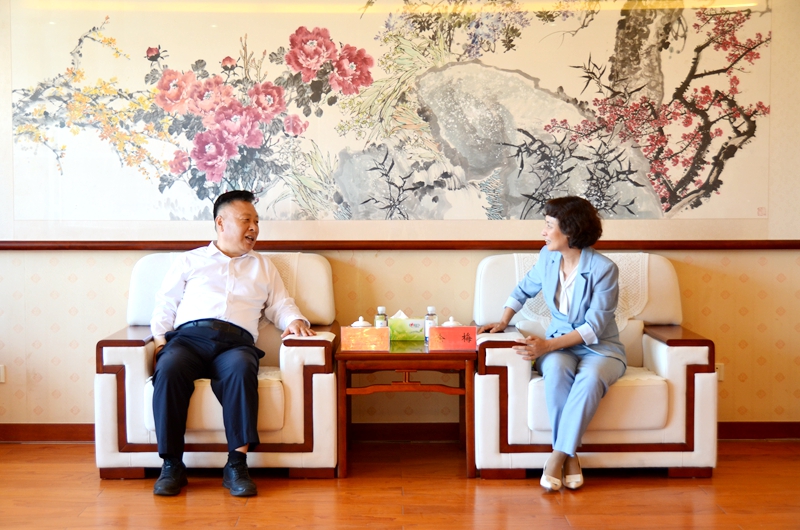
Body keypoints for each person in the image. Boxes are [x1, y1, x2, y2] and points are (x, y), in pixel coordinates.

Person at [149, 190, 315, 497]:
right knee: (169, 368)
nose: (254, 228)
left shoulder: (263, 266)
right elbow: (165, 304)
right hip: (188, 339)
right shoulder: (190, 261)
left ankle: (236, 465)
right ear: (220, 223)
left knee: (241, 369)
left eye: (256, 221)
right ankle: (172, 465)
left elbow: (280, 305)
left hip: (236, 344)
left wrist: (295, 321)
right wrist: (160, 343)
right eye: (246, 220)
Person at [477, 196, 625, 491]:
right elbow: (523, 290)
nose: (543, 232)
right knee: (556, 371)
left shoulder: (604, 269)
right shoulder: (547, 257)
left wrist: (546, 346)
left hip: (601, 348)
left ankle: (557, 456)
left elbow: (593, 328)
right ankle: (570, 456)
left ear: (570, 229)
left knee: (591, 378)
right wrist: (504, 321)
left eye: (548, 225)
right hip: (559, 344)